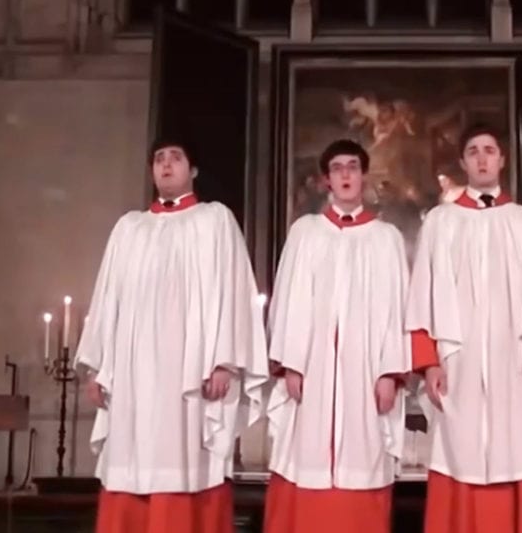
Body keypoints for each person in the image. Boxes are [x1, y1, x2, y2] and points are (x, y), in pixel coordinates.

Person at [75, 139, 269, 533]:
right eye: (159, 159)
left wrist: (225, 361)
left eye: (175, 158)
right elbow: (107, 296)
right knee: (131, 460)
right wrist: (97, 367)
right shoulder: (129, 228)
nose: (166, 166)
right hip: (133, 374)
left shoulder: (215, 221)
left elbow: (234, 292)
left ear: (192, 170)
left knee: (186, 463)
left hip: (191, 373)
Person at [262, 138, 412, 532]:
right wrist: (292, 363)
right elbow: (290, 299)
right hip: (311, 372)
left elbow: (397, 309)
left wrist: (389, 372)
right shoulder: (306, 233)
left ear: (363, 176)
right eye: (337, 168)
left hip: (364, 375)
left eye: (352, 167)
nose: (346, 174)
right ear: (326, 180)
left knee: (362, 458)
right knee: (305, 455)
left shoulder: (387, 239)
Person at [406, 124, 522, 533]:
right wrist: (428, 362)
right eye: (473, 151)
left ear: (502, 159)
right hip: (459, 364)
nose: (483, 158)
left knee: (514, 449)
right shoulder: (441, 221)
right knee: (459, 450)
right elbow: (422, 295)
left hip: (514, 367)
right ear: (464, 162)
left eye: (490, 149)